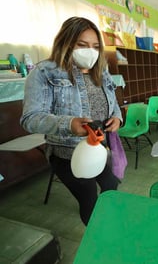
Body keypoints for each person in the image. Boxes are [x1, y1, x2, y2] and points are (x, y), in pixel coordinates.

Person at [20, 17, 123, 225]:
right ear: (66, 42)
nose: (90, 52)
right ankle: (98, 240)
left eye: (95, 46)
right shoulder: (43, 72)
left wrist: (117, 117)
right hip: (68, 154)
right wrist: (68, 124)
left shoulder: (101, 71)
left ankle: (108, 223)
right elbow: (30, 119)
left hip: (99, 149)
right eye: (82, 45)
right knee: (89, 201)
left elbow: (112, 101)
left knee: (112, 185)